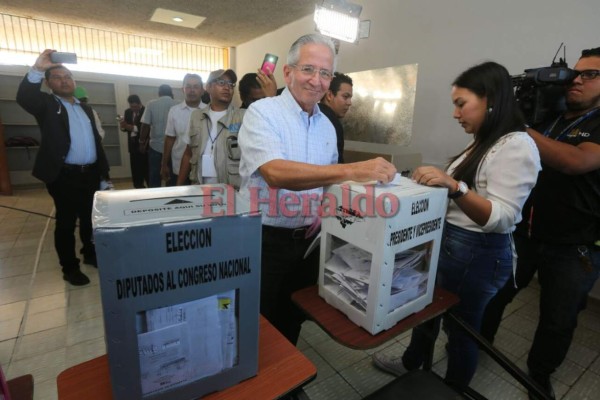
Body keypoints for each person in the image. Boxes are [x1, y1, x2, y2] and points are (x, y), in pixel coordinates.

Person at [371, 61, 541, 390]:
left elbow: (502, 217)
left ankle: (450, 390)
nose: (455, 113)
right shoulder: (484, 141)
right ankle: (411, 365)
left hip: (478, 254)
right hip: (454, 245)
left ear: (490, 98)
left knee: (462, 331)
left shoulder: (517, 145)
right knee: (427, 311)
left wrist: (453, 186)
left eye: (461, 104)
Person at [238, 33, 397, 345]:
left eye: (325, 73)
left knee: (292, 317)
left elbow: (329, 182)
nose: (317, 81)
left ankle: (287, 383)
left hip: (308, 244)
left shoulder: (326, 124)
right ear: (288, 72)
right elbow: (275, 172)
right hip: (264, 241)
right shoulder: (262, 112)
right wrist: (353, 169)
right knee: (256, 321)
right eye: (308, 69)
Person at [483, 47, 600, 399]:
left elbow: (576, 162)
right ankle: (476, 343)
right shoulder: (549, 118)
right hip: (526, 233)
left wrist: (521, 130)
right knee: (495, 294)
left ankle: (539, 376)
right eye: (575, 73)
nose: (577, 79)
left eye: (590, 74)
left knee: (557, 319)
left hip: (574, 245)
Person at [16, 49, 110, 286]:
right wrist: (38, 68)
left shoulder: (85, 108)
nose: (64, 80)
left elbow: (96, 143)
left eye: (68, 76)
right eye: (58, 77)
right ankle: (69, 267)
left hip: (89, 173)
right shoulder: (46, 105)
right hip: (63, 175)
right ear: (48, 84)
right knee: (66, 222)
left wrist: (103, 174)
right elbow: (25, 97)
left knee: (91, 219)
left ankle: (90, 253)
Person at [177, 69, 245, 188]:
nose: (227, 88)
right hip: (199, 187)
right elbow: (188, 153)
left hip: (231, 190)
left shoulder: (243, 116)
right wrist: (179, 186)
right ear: (208, 87)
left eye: (231, 84)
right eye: (221, 83)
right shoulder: (196, 116)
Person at [162, 74, 207, 186]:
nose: (192, 90)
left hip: (203, 168)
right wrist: (164, 164)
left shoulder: (209, 111)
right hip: (177, 165)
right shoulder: (174, 111)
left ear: (202, 90)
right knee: (178, 199)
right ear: (183, 89)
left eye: (196, 87)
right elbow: (170, 139)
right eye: (188, 87)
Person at [139, 84, 178, 187]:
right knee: (172, 177)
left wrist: (142, 142)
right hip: (173, 147)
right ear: (171, 93)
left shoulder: (151, 104)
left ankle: (155, 199)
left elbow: (145, 125)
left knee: (154, 176)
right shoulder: (178, 104)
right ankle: (171, 198)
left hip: (155, 146)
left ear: (159, 93)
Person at [319, 72, 353, 163]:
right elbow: (337, 166)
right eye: (345, 97)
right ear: (329, 95)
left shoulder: (312, 114)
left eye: (350, 98)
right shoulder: (332, 123)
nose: (349, 103)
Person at [120, 95, 147, 188]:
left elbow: (146, 128)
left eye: (135, 107)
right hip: (132, 146)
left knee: (146, 169)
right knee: (135, 170)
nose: (133, 109)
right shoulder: (127, 112)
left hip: (144, 146)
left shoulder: (146, 111)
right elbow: (125, 128)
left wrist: (130, 127)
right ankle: (138, 188)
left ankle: (150, 190)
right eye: (131, 107)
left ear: (140, 104)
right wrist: (123, 126)